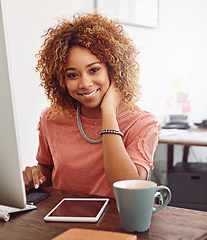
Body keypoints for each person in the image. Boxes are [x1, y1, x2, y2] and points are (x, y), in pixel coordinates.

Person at [23, 13, 161, 197]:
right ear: (60, 80)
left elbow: (129, 191)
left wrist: (109, 112)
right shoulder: (52, 118)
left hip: (117, 222)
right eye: (72, 75)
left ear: (113, 69)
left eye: (94, 70)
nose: (85, 83)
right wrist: (36, 176)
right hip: (60, 219)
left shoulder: (143, 123)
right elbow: (47, 168)